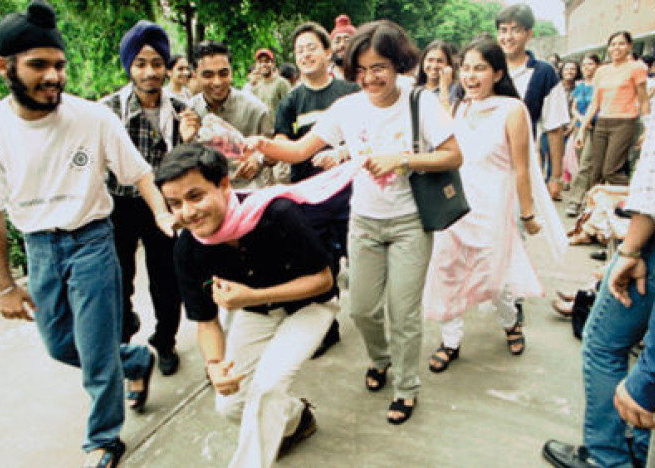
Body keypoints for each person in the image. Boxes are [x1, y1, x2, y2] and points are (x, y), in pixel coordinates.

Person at [0, 2, 170, 466]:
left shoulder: (91, 118)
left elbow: (139, 173)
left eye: (58, 65)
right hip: (38, 248)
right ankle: (134, 361)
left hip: (92, 241)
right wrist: (3, 286)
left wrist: (160, 213)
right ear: (4, 67)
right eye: (38, 65)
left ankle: (104, 437)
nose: (53, 76)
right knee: (60, 346)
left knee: (95, 355)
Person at [248, 20, 462, 424]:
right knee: (362, 309)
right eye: (360, 70)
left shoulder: (420, 102)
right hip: (364, 221)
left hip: (410, 223)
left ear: (398, 63)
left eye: (378, 67)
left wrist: (403, 160)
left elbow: (452, 155)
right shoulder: (347, 107)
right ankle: (380, 358)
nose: (369, 78)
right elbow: (297, 151)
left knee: (404, 313)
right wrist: (264, 147)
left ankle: (406, 387)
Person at [542, 14, 655, 468]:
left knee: (604, 341)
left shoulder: (648, 76)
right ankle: (636, 449)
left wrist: (631, 249)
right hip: (654, 226)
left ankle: (607, 458)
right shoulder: (612, 74)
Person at [159, 143, 340, 468]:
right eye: (175, 204)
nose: (187, 212)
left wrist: (250, 297)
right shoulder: (188, 248)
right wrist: (214, 365)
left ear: (225, 185)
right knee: (230, 406)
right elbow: (206, 320)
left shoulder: (276, 213)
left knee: (267, 388)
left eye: (196, 196)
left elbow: (324, 280)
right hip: (256, 314)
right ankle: (298, 418)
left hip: (310, 307)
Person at [422, 37, 563, 373]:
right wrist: (444, 89)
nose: (470, 76)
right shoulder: (460, 106)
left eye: (479, 69)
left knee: (495, 277)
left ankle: (510, 321)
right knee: (446, 271)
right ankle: (450, 340)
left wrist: (527, 214)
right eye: (466, 68)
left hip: (494, 208)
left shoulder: (512, 110)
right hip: (456, 208)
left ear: (497, 73)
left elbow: (522, 167)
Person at [101, 21, 200, 375]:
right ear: (129, 66)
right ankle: (125, 343)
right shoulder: (107, 110)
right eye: (141, 63)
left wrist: (188, 140)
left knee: (166, 277)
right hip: (118, 205)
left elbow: (187, 165)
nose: (149, 72)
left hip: (164, 205)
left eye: (157, 63)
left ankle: (165, 340)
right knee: (117, 278)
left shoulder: (180, 109)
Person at [274, 21, 361, 359]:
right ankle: (328, 329)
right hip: (309, 197)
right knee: (319, 263)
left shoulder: (349, 93)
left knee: (358, 261)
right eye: (299, 51)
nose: (306, 55)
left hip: (350, 193)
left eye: (312, 47)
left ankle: (373, 321)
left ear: (328, 53)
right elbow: (282, 139)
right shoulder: (292, 100)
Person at [496, 3, 570, 200]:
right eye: (503, 30)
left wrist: (556, 177)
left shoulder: (544, 73)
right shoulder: (487, 68)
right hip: (487, 166)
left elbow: (554, 128)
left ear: (529, 34)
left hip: (522, 167)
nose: (508, 37)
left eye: (515, 30)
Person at [188, 40, 274, 189]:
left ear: (231, 72)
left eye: (223, 73)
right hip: (206, 195)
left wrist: (258, 159)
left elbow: (275, 152)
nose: (217, 82)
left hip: (248, 193)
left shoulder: (257, 110)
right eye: (208, 75)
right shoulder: (188, 112)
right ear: (196, 76)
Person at [575, 31, 650, 188]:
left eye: (621, 44)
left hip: (624, 122)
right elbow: (595, 103)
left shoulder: (636, 68)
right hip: (602, 122)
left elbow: (644, 100)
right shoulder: (602, 71)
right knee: (596, 172)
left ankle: (632, 198)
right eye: (613, 44)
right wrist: (582, 129)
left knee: (611, 170)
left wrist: (647, 129)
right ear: (608, 48)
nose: (617, 48)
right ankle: (595, 208)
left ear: (629, 47)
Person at [566, 54, 602, 217]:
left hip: (595, 128)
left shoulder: (600, 85)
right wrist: (580, 120)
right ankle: (587, 199)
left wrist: (587, 121)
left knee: (585, 165)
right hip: (579, 128)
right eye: (584, 64)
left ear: (597, 66)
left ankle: (575, 201)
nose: (586, 67)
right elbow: (574, 108)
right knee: (581, 163)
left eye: (590, 64)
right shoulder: (579, 86)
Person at [415, 39, 459, 110]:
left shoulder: (457, 91)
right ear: (423, 62)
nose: (434, 65)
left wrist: (444, 87)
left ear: (448, 65)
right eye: (430, 60)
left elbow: (448, 118)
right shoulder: (414, 91)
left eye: (440, 61)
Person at [249, 48, 291, 113]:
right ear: (256, 65)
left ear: (273, 64)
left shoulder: (281, 83)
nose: (264, 64)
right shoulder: (255, 87)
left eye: (267, 61)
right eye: (260, 62)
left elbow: (289, 108)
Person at [329, 14, 356, 79]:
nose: (342, 45)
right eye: (337, 41)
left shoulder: (363, 76)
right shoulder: (324, 76)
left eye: (347, 41)